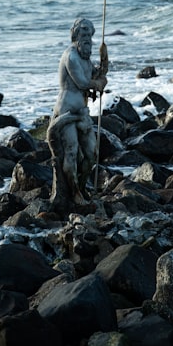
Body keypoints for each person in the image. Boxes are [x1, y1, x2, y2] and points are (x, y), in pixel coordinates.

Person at [48, 17, 108, 208]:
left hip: (81, 111)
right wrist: (97, 84)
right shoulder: (71, 56)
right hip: (66, 110)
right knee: (71, 153)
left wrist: (104, 59)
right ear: (75, 36)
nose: (87, 39)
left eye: (90, 35)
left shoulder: (86, 59)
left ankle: (81, 188)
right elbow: (83, 82)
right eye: (83, 34)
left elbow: (96, 75)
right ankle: (74, 193)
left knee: (91, 153)